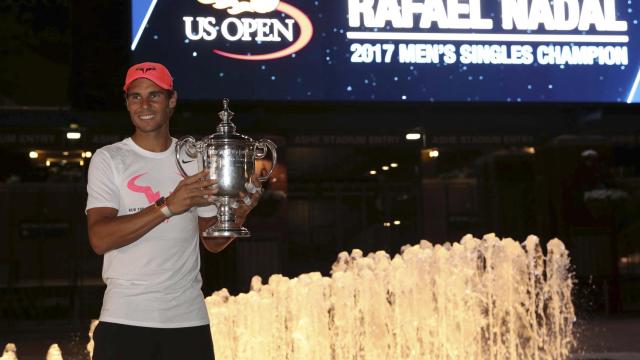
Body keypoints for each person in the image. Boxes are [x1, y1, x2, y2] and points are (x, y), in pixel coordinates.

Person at [85, 62, 259, 359]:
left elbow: (212, 242)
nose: (145, 105)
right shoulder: (109, 158)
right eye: (135, 97)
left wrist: (239, 213)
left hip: (188, 319)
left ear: (172, 100)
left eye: (155, 95)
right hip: (126, 317)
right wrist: (167, 206)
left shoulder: (197, 158)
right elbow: (100, 238)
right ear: (126, 102)